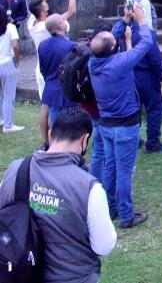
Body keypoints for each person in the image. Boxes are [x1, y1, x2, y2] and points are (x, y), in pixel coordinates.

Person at [0, 108, 117, 282]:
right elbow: (104, 246)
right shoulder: (89, 187)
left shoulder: (15, 169)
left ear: (49, 134)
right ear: (84, 140)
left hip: (18, 274)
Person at [87, 17, 155, 228]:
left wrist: (124, 20)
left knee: (110, 167)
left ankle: (110, 208)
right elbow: (146, 44)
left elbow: (107, 40)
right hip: (125, 126)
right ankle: (126, 215)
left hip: (106, 124)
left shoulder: (93, 62)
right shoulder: (119, 63)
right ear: (113, 48)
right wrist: (142, 23)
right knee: (124, 171)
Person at [111, 9, 162, 154]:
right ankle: (153, 142)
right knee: (154, 108)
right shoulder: (146, 33)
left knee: (134, 108)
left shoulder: (122, 31)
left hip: (130, 75)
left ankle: (134, 140)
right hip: (147, 75)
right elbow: (155, 58)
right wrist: (161, 77)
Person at [38, 13, 77, 139]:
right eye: (63, 20)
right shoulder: (70, 46)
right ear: (61, 27)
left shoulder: (42, 45)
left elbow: (43, 69)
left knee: (55, 127)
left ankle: (55, 151)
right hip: (67, 92)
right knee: (70, 129)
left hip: (50, 90)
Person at [0, 10, 21, 132]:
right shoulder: (10, 27)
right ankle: (8, 125)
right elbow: (15, 46)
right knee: (8, 95)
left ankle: (2, 119)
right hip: (7, 63)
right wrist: (17, 60)